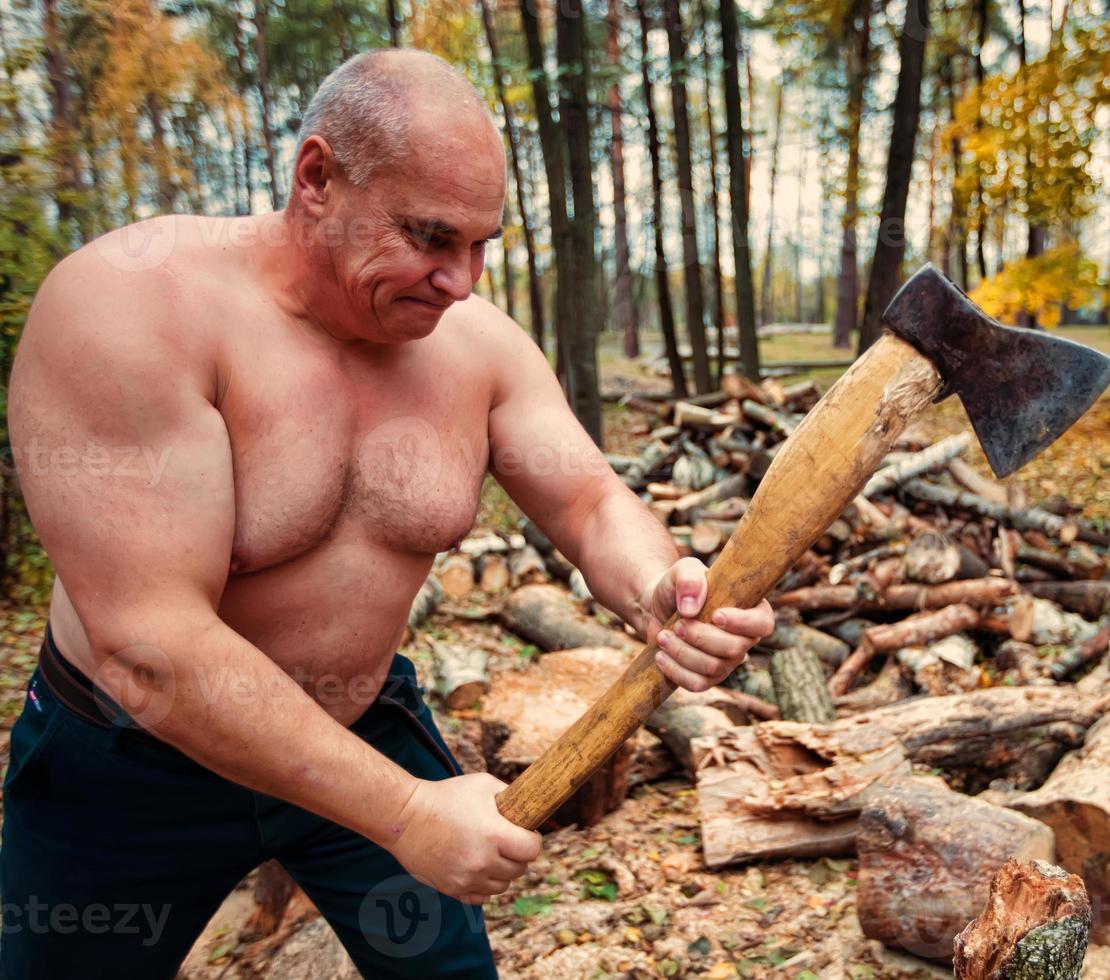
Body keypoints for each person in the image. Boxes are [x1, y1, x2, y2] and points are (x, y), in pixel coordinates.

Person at [1, 48, 774, 978]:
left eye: (482, 244)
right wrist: (407, 815)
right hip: (129, 763)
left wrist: (659, 586)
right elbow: (148, 648)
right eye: (430, 236)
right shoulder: (130, 307)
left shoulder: (473, 346)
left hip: (359, 728)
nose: (463, 280)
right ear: (317, 178)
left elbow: (589, 498)